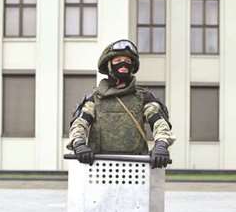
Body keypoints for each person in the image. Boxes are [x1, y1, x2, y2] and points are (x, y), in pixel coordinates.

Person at [66, 39, 175, 168]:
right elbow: (80, 123)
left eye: (128, 61)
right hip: (99, 166)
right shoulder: (95, 98)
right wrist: (79, 144)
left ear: (132, 66)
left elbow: (159, 123)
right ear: (109, 65)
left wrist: (161, 145)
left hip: (135, 166)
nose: (123, 64)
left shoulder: (144, 97)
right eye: (117, 61)